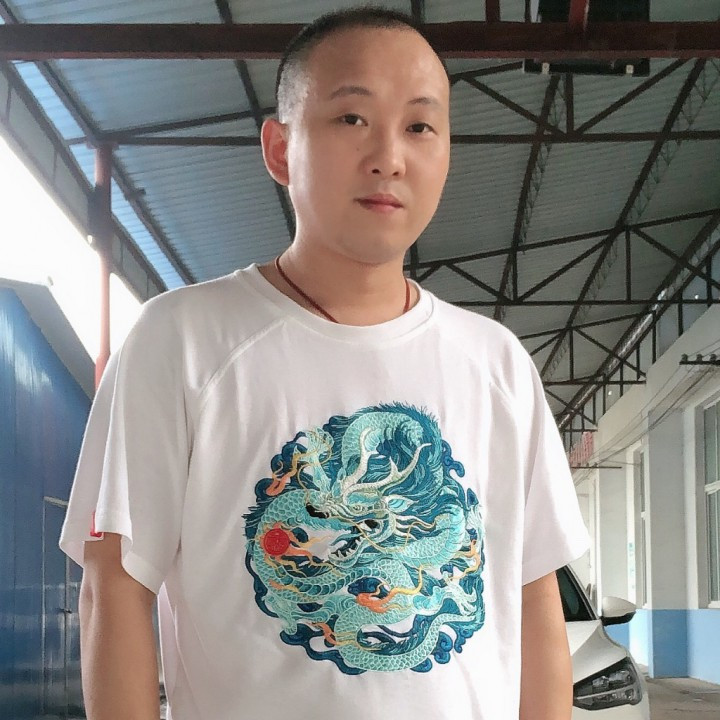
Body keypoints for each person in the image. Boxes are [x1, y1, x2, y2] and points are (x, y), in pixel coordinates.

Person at [60, 7, 590, 720]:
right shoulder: (182, 340)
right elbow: (115, 588)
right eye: (352, 118)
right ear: (280, 150)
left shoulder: (497, 363)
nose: (389, 156)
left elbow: (534, 599)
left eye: (420, 126)